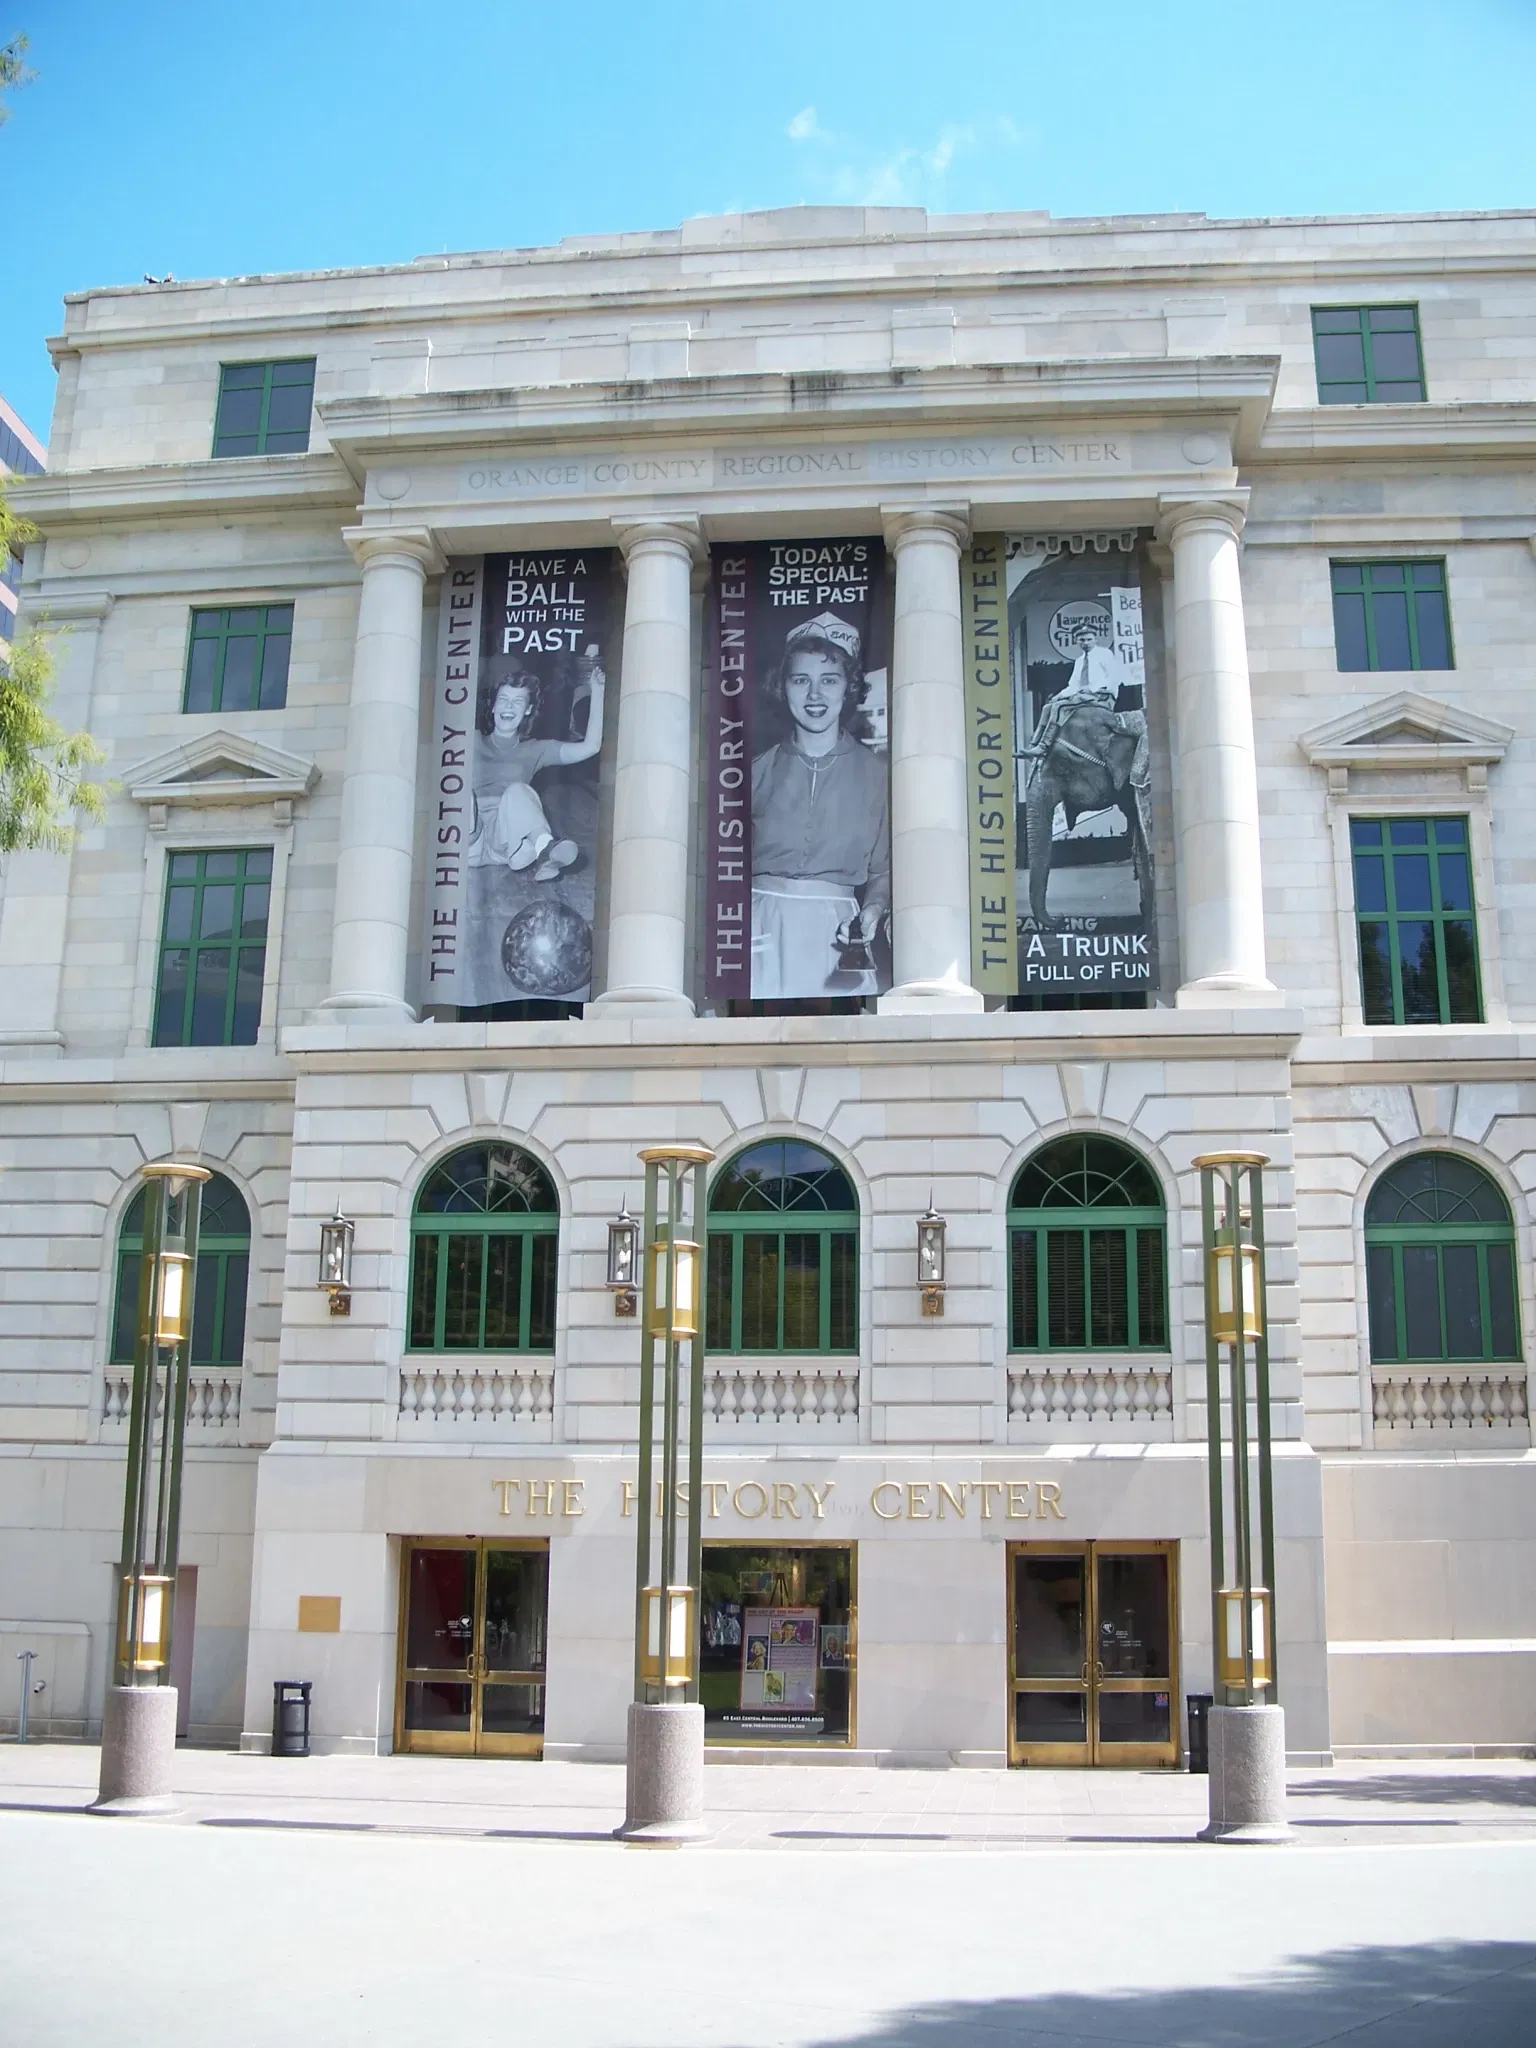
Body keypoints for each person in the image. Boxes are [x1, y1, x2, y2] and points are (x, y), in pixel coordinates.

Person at [750, 612, 890, 999]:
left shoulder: (879, 776)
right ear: (783, 687)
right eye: (801, 680)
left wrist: (873, 912)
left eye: (829, 680)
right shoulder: (751, 773)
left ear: (849, 688)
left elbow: (882, 871)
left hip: (837, 934)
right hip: (760, 927)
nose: (815, 695)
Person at [470, 649, 605, 882]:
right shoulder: (468, 740)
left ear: (528, 710)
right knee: (458, 788)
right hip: (466, 838)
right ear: (493, 707)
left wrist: (598, 691)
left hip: (509, 841)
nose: (509, 707)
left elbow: (590, 747)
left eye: (518, 701)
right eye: (503, 700)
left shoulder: (536, 749)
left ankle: (545, 849)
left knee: (518, 790)